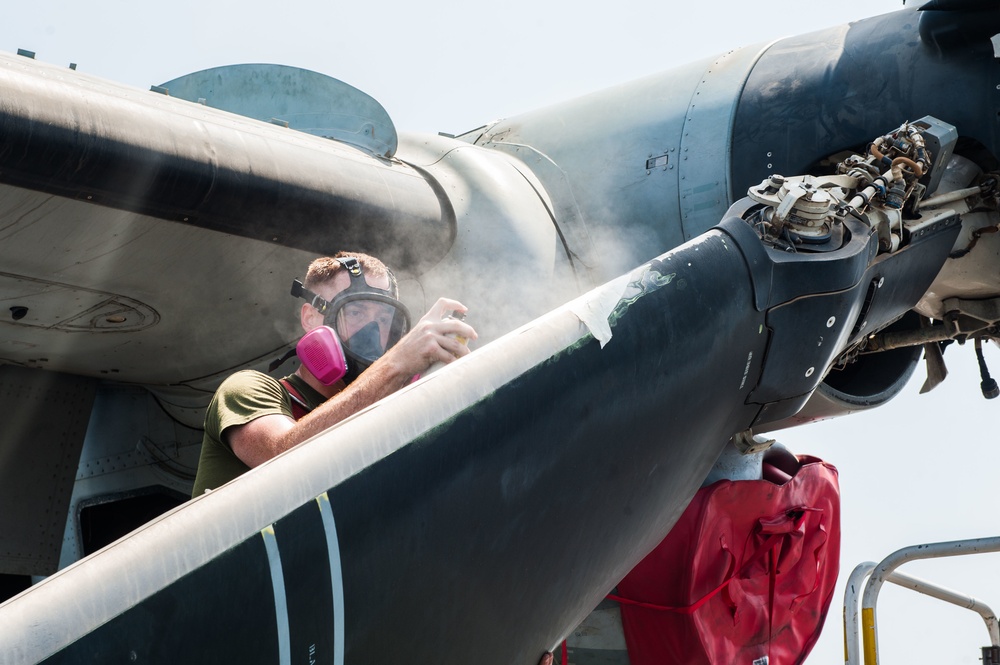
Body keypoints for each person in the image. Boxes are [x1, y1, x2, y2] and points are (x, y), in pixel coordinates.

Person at [191, 251, 477, 496]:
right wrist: (396, 365)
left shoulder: (382, 417)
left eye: (383, 318)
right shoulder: (247, 389)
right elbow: (281, 459)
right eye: (355, 313)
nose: (373, 332)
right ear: (310, 318)